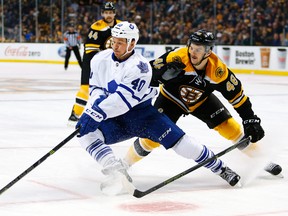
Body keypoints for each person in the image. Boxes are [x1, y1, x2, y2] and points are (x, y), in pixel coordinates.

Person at [75, 22, 243, 193]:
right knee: (84, 132)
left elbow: (122, 100)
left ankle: (221, 168)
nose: (114, 46)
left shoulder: (140, 67)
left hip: (143, 117)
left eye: (120, 42)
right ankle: (115, 168)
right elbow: (96, 88)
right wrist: (95, 105)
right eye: (113, 41)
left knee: (182, 144)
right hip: (114, 116)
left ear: (132, 43)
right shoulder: (99, 59)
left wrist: (96, 113)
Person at [124, 29, 282, 176]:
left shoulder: (218, 71)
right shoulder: (177, 56)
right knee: (152, 137)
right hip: (171, 99)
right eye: (192, 47)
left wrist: (249, 118)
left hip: (201, 101)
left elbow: (237, 96)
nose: (193, 52)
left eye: (199, 49)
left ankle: (261, 159)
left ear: (208, 51)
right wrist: (160, 75)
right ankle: (124, 164)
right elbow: (148, 73)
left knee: (231, 128)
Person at [68, 2, 122, 124]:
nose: (108, 15)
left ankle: (111, 117)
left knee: (113, 89)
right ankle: (75, 114)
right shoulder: (97, 26)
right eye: (106, 12)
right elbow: (90, 50)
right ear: (102, 13)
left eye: (110, 12)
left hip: (112, 63)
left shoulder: (121, 25)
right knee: (85, 88)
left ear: (114, 13)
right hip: (93, 62)